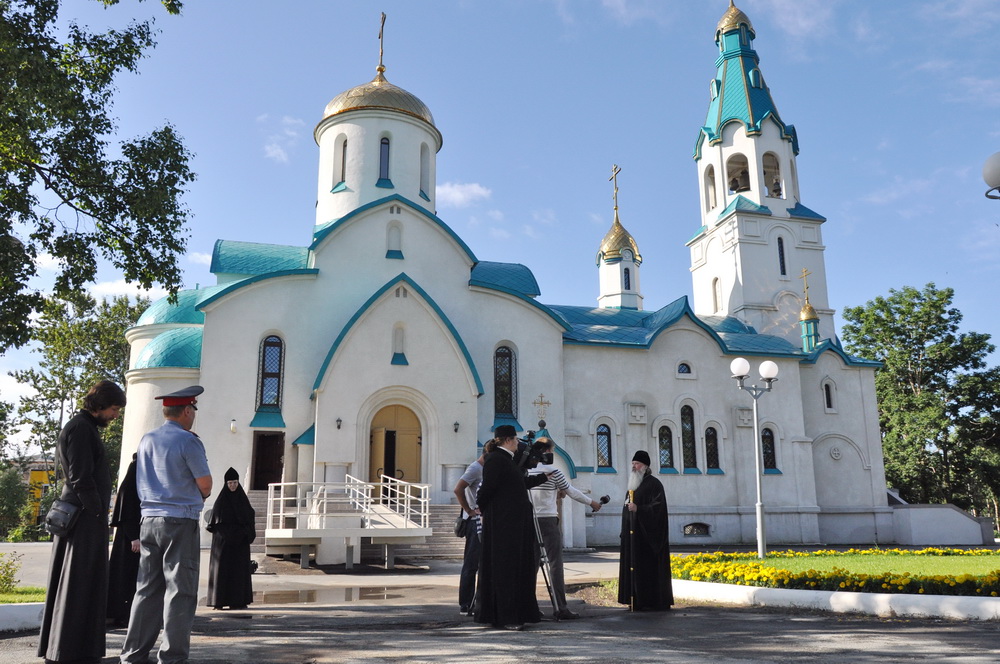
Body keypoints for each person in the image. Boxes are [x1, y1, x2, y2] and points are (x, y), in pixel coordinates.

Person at [120, 385, 212, 664]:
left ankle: (133, 655)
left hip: (148, 520)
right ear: (187, 411)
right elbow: (205, 485)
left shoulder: (147, 439)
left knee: (146, 589)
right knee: (180, 591)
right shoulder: (188, 441)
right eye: (193, 409)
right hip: (180, 521)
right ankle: (172, 658)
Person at [38, 380, 126, 664]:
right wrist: (98, 511)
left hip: (83, 516)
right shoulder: (81, 429)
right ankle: (69, 650)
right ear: (99, 405)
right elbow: (80, 477)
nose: (115, 416)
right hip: (83, 518)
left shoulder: (84, 427)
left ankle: (76, 649)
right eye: (114, 409)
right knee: (78, 583)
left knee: (82, 582)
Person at [474, 425, 549, 631]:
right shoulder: (496, 459)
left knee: (516, 567)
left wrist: (544, 477)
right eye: (515, 439)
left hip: (513, 523)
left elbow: (518, 483)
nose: (518, 443)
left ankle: (515, 613)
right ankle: (506, 616)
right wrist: (484, 511)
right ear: (507, 440)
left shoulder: (507, 460)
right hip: (504, 524)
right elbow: (487, 489)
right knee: (506, 568)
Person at [527, 437, 603, 620]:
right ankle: (560, 607)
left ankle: (529, 606)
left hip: (529, 520)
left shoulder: (527, 471)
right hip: (548, 519)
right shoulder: (553, 471)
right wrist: (592, 502)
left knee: (531, 564)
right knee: (555, 563)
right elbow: (571, 491)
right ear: (547, 451)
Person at [618, 450, 673, 611]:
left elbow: (658, 508)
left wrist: (639, 509)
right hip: (632, 536)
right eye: (633, 464)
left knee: (647, 569)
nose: (634, 467)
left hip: (647, 538)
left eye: (637, 464)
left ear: (646, 466)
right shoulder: (633, 486)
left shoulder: (654, 484)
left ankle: (650, 601)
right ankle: (634, 600)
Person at [452, 439, 496, 616]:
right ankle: (465, 603)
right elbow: (458, 489)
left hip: (485, 519)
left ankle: (479, 602)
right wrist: (468, 510)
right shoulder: (476, 468)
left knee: (484, 563)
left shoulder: (486, 468)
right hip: (474, 521)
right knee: (471, 563)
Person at [206, 467, 256, 610]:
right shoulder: (221, 502)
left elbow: (249, 520)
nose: (232, 486)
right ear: (226, 484)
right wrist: (230, 534)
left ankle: (238, 601)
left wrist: (242, 534)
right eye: (230, 483)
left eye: (234, 483)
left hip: (240, 545)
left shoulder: (243, 501)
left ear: (238, 483)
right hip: (224, 545)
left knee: (238, 573)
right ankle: (219, 601)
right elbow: (216, 523)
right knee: (222, 572)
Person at [107, 453, 141, 627]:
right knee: (125, 577)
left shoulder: (131, 485)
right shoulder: (130, 487)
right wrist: (134, 537)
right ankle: (121, 614)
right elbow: (127, 514)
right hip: (129, 540)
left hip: (131, 539)